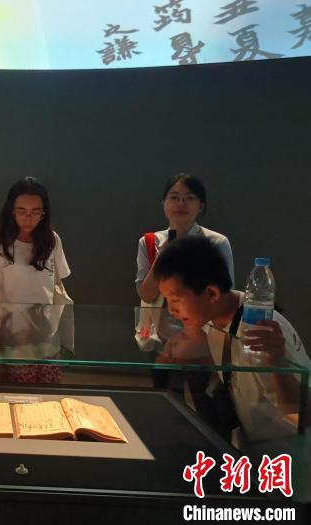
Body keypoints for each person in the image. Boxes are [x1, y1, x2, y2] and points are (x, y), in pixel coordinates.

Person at [153, 236, 310, 446]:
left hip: (289, 454)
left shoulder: (259, 331)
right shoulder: (215, 320)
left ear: (211, 293)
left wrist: (277, 364)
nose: (171, 310)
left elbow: (302, 412)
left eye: (175, 300)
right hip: (254, 447)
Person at [0, 177, 71, 383]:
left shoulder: (52, 241)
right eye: (22, 211)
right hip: (14, 343)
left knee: (47, 399)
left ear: (43, 212)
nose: (28, 218)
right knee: (14, 397)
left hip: (47, 341)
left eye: (35, 212)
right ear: (11, 211)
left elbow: (57, 286)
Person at [136, 173, 234, 304]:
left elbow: (225, 297)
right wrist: (163, 256)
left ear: (200, 206)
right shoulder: (149, 242)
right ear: (163, 203)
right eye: (174, 197)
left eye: (190, 198)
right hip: (157, 318)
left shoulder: (216, 243)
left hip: (201, 318)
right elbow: (146, 296)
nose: (181, 203)